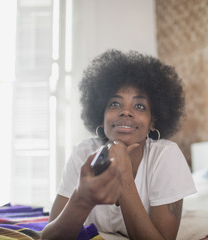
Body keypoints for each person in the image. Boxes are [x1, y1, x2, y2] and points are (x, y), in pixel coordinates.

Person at [41, 49, 196, 240]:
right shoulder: (84, 153)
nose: (126, 112)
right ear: (101, 115)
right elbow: (48, 238)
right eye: (115, 104)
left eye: (139, 106)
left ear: (153, 122)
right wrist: (81, 198)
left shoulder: (166, 155)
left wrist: (123, 175)